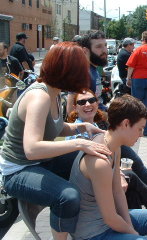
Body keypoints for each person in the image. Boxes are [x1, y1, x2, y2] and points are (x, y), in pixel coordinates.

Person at [0, 42, 111, 240]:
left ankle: (100, 222)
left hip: (39, 161)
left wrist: (81, 127)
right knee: (67, 196)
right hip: (18, 170)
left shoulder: (54, 92)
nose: (84, 75)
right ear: (67, 71)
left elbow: (56, 128)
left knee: (99, 155)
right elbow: (32, 149)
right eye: (80, 69)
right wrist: (79, 143)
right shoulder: (39, 97)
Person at [69, 94, 147, 240]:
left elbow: (118, 192)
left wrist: (128, 225)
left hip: (107, 222)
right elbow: (110, 218)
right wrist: (134, 234)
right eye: (140, 128)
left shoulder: (114, 145)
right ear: (126, 124)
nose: (142, 134)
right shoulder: (100, 162)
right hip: (93, 233)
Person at [67, 30, 108, 114]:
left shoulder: (93, 68)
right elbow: (71, 111)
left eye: (105, 45)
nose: (105, 50)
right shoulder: (81, 73)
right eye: (99, 46)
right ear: (85, 51)